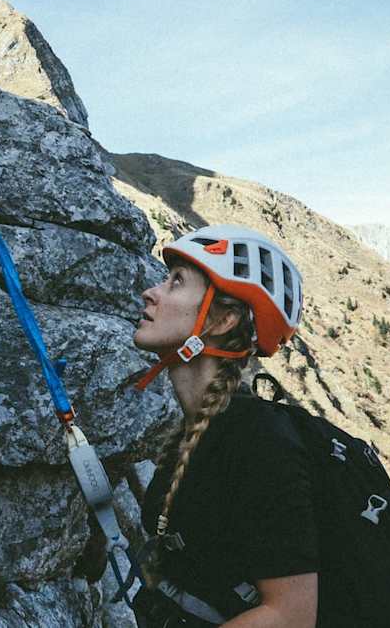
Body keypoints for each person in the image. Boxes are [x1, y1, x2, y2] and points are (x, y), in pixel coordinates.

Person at [130, 224, 317, 628]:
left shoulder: (258, 440)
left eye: (176, 282)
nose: (152, 293)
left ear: (223, 320)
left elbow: (292, 615)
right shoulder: (201, 431)